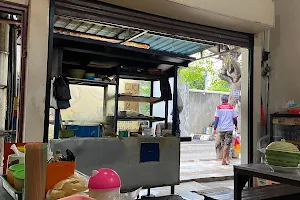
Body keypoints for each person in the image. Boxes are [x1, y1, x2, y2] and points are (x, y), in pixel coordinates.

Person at [213, 95, 238, 165]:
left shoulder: (218, 108)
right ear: (227, 100)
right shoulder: (231, 107)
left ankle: (226, 159)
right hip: (229, 128)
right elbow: (235, 118)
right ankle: (224, 159)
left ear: (222, 100)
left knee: (225, 144)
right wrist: (236, 125)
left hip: (221, 129)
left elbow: (216, 119)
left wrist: (214, 128)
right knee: (227, 144)